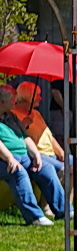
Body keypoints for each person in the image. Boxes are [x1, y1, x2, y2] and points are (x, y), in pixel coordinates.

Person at [0, 85, 62, 225]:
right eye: (12, 100)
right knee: (18, 172)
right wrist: (9, 158)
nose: (15, 103)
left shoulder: (11, 116)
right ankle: (35, 217)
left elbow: (26, 137)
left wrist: (36, 156)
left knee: (46, 168)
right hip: (4, 158)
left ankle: (64, 211)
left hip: (23, 156)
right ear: (2, 102)